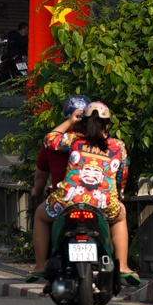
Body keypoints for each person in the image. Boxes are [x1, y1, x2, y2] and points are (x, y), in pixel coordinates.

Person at [30, 101, 138, 287]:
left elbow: (49, 139)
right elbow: (122, 176)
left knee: (40, 215)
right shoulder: (118, 147)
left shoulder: (74, 142)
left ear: (84, 122)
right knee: (120, 216)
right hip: (103, 202)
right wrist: (118, 196)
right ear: (107, 124)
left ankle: (40, 266)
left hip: (68, 199)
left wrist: (70, 122)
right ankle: (123, 266)